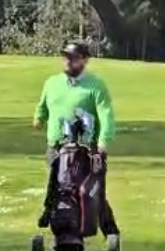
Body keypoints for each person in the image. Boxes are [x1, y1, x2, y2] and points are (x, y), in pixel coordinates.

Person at [33, 42, 119, 235]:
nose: (68, 61)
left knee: (92, 193)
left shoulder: (95, 86)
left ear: (85, 60)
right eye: (65, 57)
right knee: (60, 188)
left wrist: (103, 140)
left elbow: (106, 116)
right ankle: (61, 227)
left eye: (73, 57)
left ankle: (110, 232)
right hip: (57, 147)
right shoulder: (52, 83)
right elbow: (42, 107)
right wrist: (39, 119)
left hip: (89, 149)